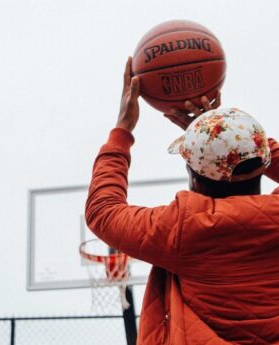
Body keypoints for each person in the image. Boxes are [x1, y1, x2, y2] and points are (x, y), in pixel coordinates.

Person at [85, 57, 279, 344]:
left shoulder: (182, 229)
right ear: (263, 164)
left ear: (194, 177)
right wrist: (225, 131)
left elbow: (103, 210)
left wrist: (122, 129)